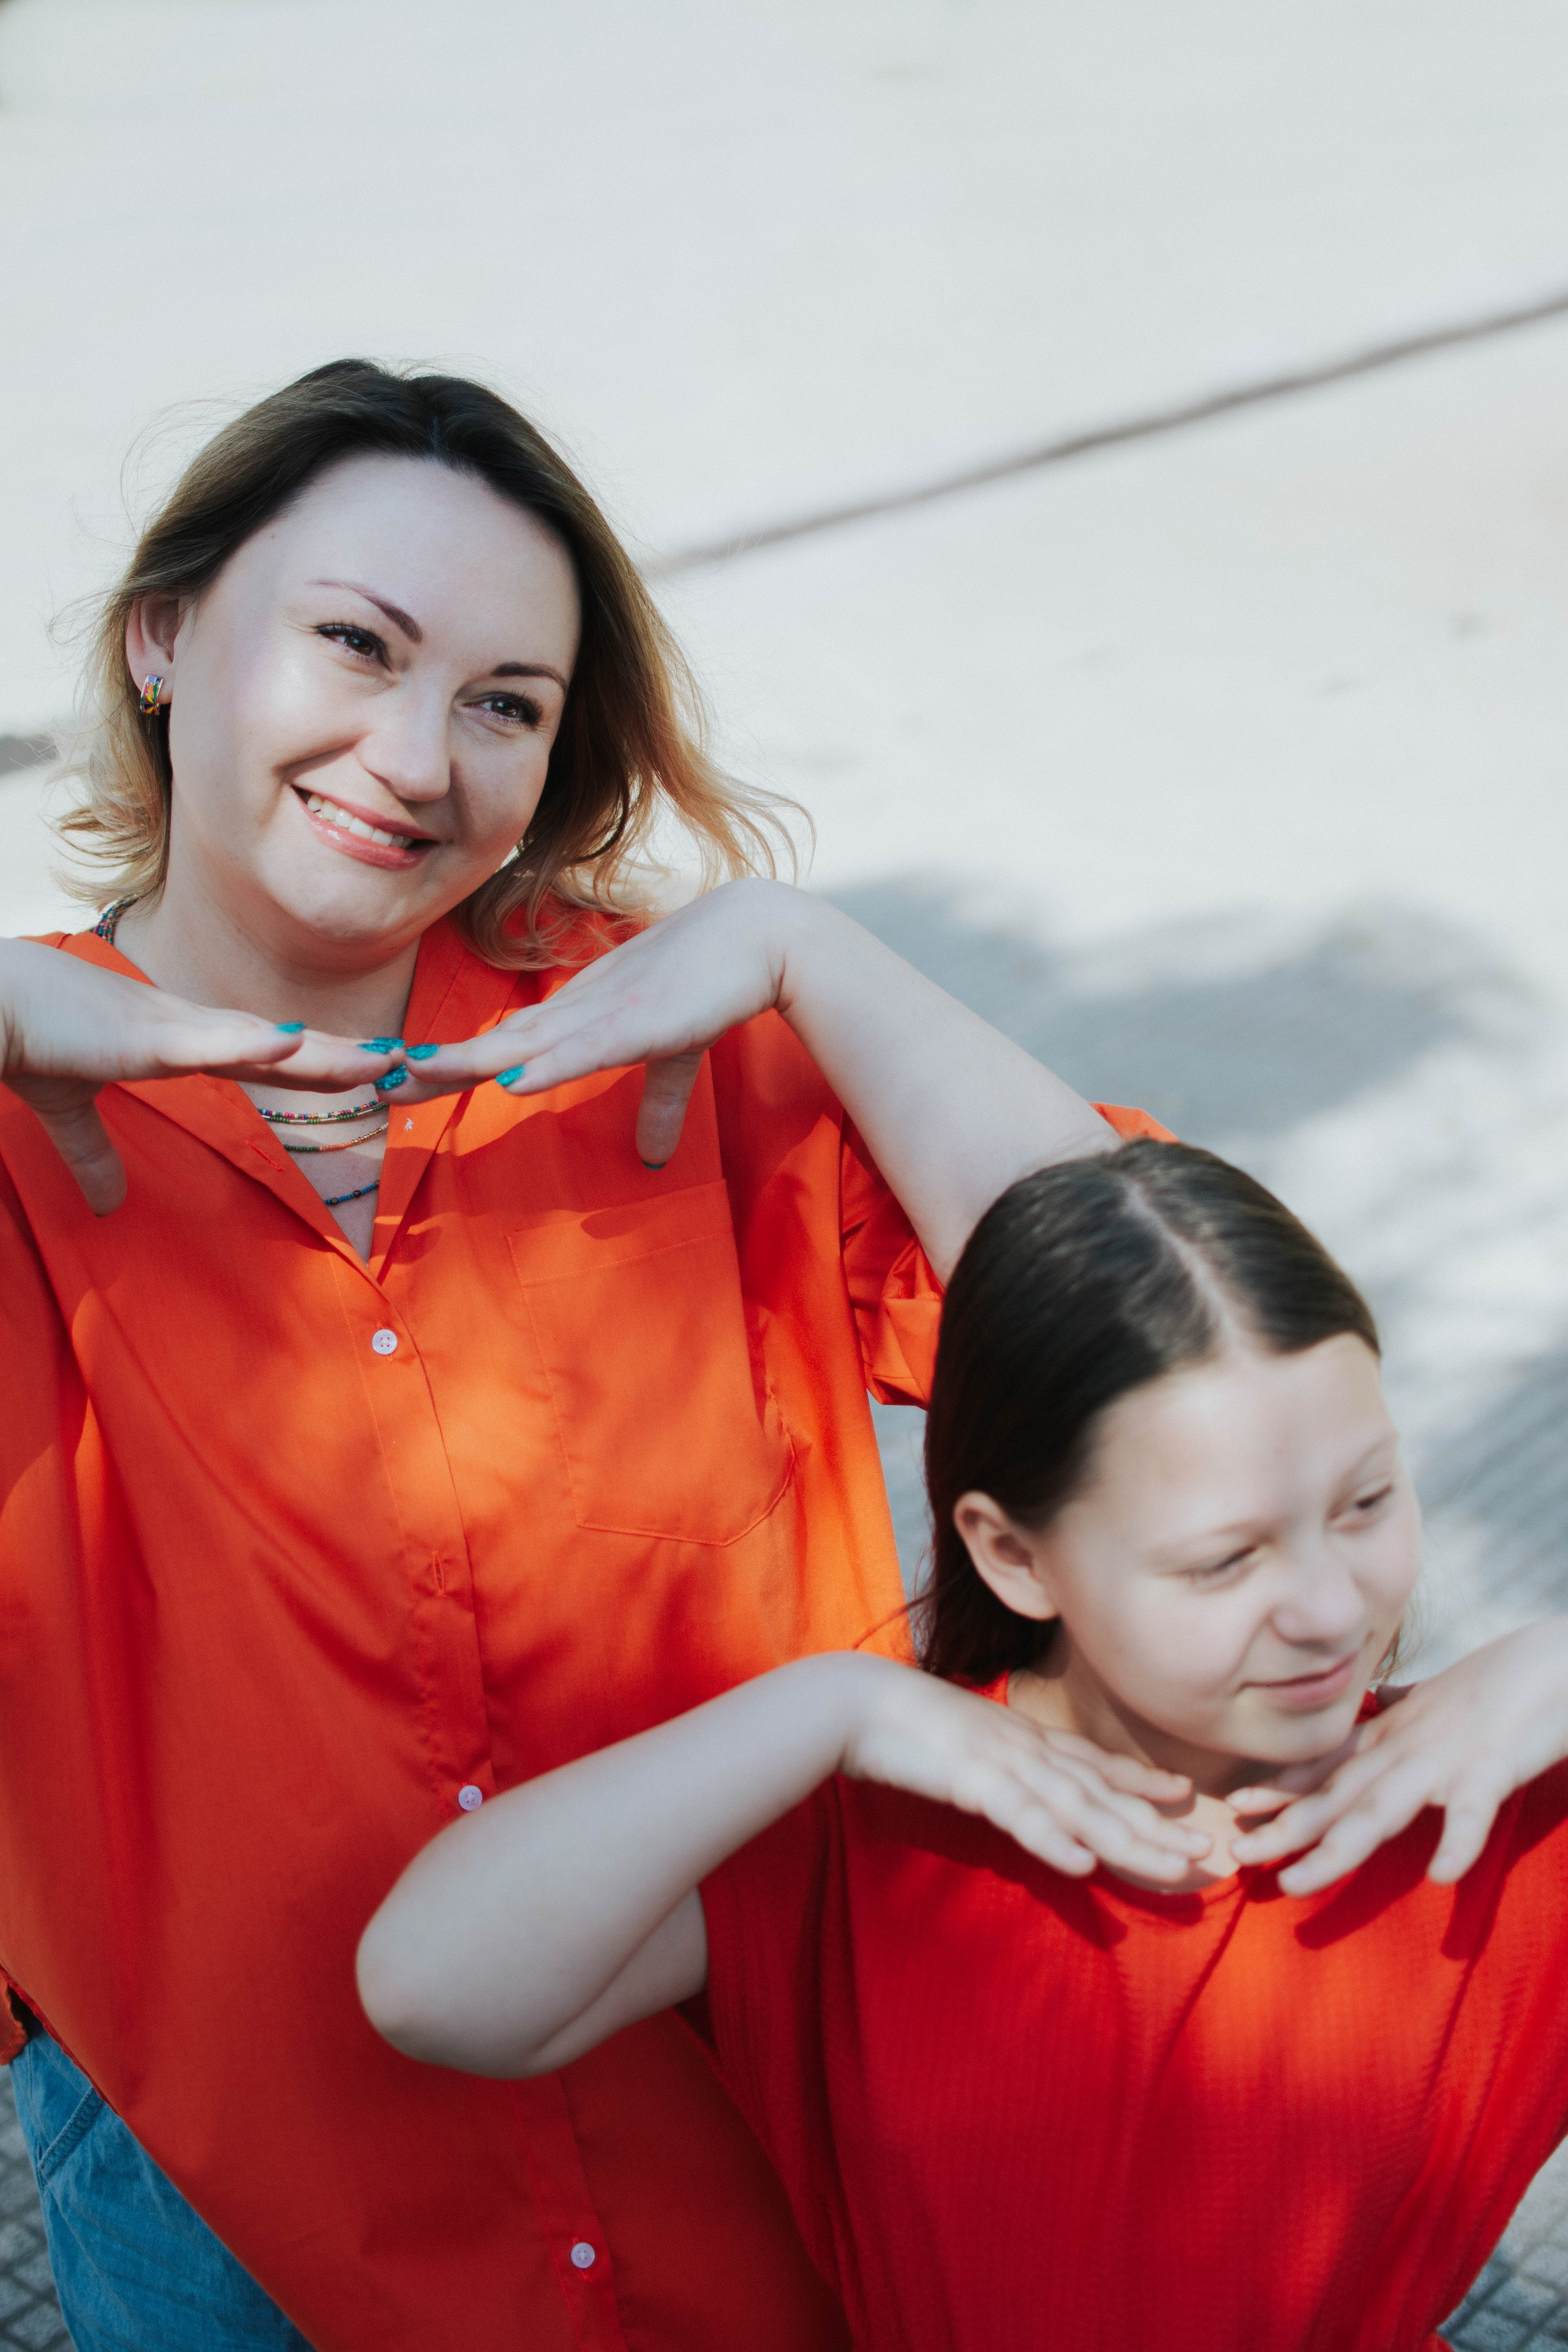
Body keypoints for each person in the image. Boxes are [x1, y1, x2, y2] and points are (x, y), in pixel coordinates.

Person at [0, 357, 1174, 2352]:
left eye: (504, 705)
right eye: (354, 645)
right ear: (166, 637)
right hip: (238, 2214)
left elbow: (1171, 1342)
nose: (415, 754)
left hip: (750, 2151)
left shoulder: (675, 1053)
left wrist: (821, 957)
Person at [358, 1140, 1568, 2352]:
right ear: (1012, 1555)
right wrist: (828, 1706)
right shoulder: (869, 1840)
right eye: (1223, 1560)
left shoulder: (1479, 1808)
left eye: (1364, 1504)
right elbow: (434, 1988)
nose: (1324, 1608)